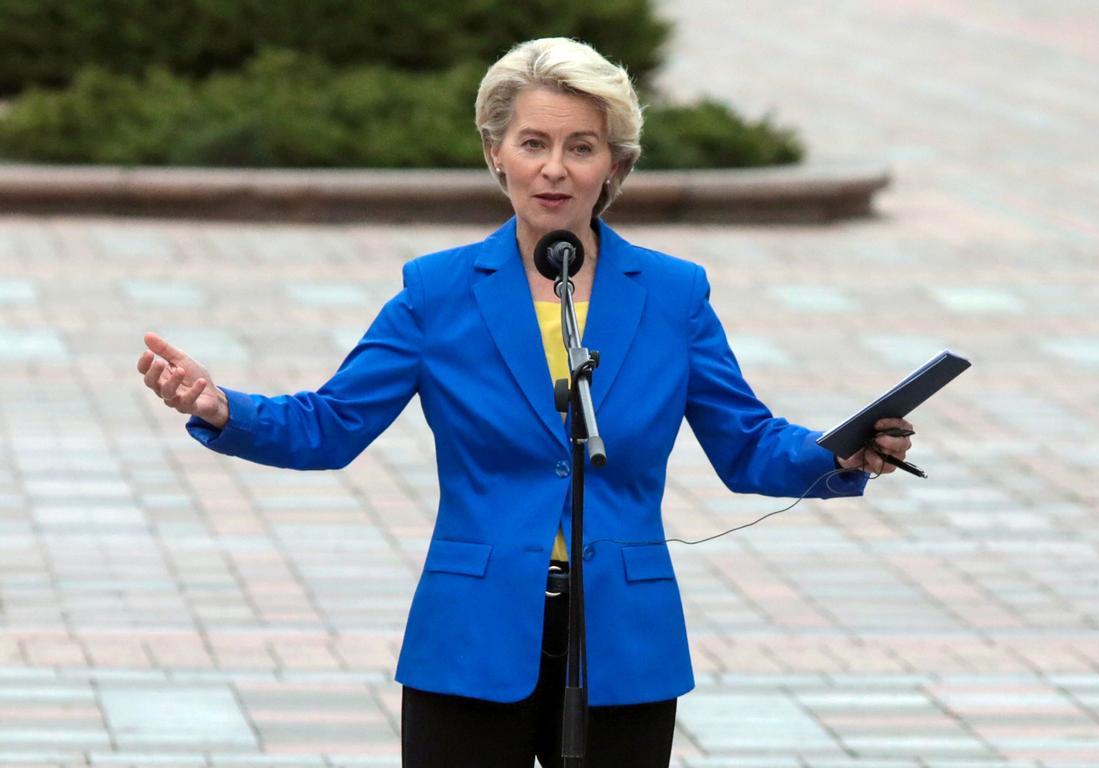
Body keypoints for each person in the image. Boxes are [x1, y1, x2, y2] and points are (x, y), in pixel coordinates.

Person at [136, 37, 914, 768]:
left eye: (582, 146)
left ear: (615, 165)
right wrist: (219, 406)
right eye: (534, 143)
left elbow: (746, 443)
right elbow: (330, 425)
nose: (555, 169)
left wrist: (839, 451)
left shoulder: (674, 295)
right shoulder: (437, 293)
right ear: (495, 154)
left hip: (622, 639)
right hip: (471, 633)